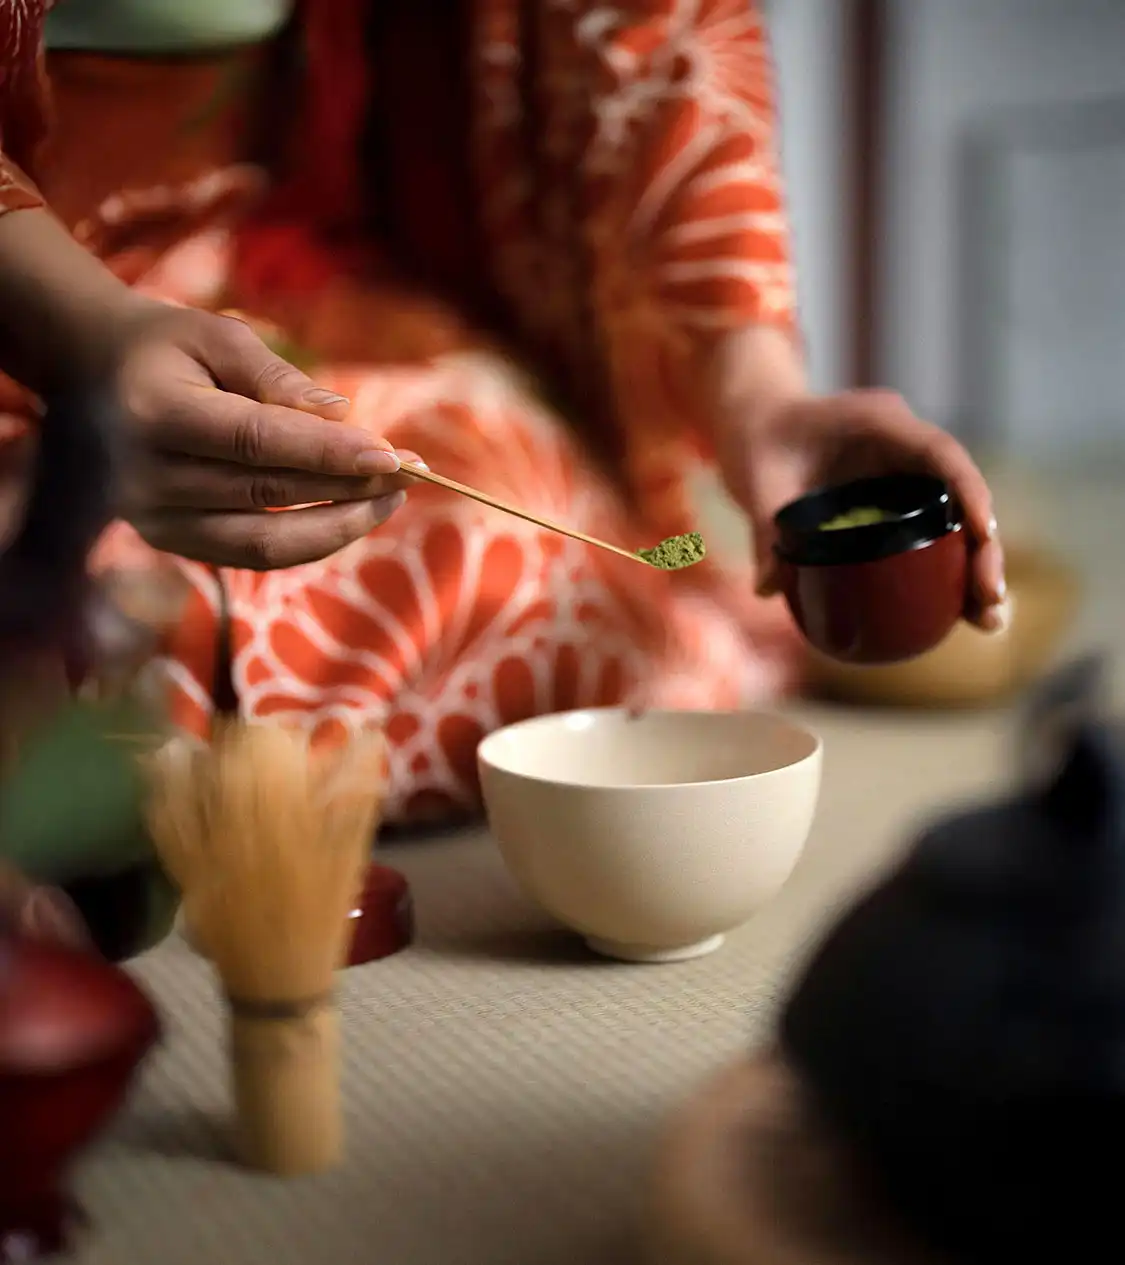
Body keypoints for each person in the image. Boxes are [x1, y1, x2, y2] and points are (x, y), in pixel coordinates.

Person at [0, 0, 1006, 825]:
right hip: (29, 304)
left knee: (559, 570)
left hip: (274, 285)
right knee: (61, 612)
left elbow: (647, 31)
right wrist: (83, 337)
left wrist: (761, 395)